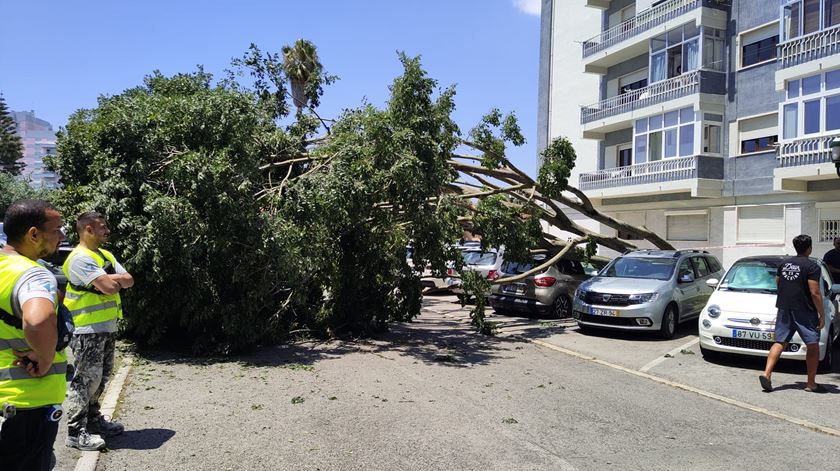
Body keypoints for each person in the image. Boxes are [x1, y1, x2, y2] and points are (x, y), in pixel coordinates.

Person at [0, 199, 68, 470]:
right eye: (58, 229)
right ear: (33, 234)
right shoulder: (33, 275)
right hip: (26, 402)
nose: (62, 236)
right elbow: (39, 319)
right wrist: (45, 357)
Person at [63, 212, 134, 450]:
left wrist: (110, 280)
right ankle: (75, 431)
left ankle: (93, 422)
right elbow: (110, 287)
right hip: (86, 329)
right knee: (85, 380)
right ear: (88, 230)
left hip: (106, 326)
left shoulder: (105, 255)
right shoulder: (79, 258)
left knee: (101, 379)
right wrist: (111, 280)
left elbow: (129, 280)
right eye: (102, 227)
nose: (107, 231)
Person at [759, 234, 826, 393]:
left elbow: (778, 282)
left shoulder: (784, 263)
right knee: (812, 344)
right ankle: (811, 383)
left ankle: (767, 374)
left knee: (780, 341)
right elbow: (815, 292)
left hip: (784, 308)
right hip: (805, 310)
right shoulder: (812, 266)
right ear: (809, 248)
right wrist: (821, 314)